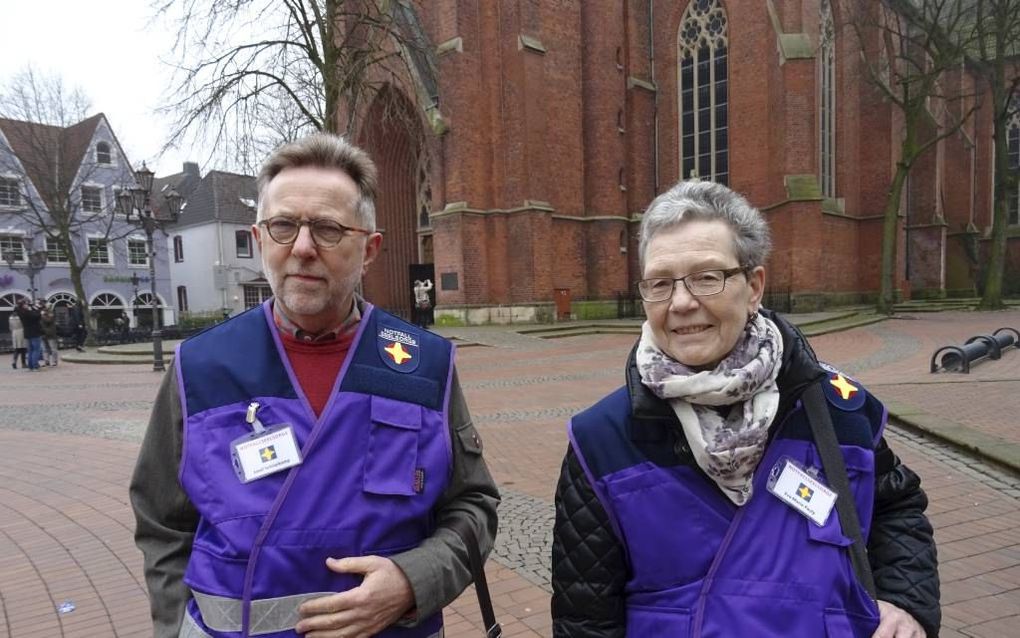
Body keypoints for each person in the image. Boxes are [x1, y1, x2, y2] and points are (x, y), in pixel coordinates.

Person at [130, 133, 499, 638]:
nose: (302, 248)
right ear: (260, 240)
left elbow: (472, 506)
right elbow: (162, 524)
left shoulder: (422, 365)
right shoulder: (201, 367)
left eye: (327, 229)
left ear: (369, 250)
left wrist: (414, 580)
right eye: (283, 226)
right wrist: (173, 627)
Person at [551, 181, 940, 637]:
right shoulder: (602, 441)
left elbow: (898, 507)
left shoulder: (836, 411)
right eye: (660, 283)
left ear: (754, 286)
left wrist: (906, 600)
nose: (680, 302)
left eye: (706, 277)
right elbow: (586, 623)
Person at [15, 298, 42, 371]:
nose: (27, 305)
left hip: (27, 333)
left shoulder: (20, 312)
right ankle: (35, 366)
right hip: (34, 332)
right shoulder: (27, 312)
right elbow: (37, 316)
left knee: (30, 350)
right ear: (23, 305)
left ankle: (30, 366)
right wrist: (37, 309)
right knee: (36, 350)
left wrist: (32, 308)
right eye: (26, 304)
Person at [40, 302, 59, 367]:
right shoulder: (41, 313)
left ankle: (54, 361)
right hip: (43, 333)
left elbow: (49, 320)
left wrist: (43, 315)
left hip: (50, 333)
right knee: (45, 349)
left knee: (53, 348)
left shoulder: (51, 313)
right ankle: (46, 361)